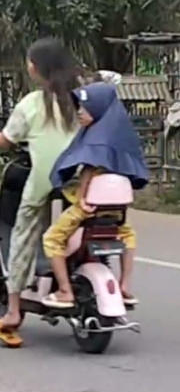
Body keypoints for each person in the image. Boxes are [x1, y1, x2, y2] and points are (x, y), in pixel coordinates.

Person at [0, 37, 80, 347]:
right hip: (81, 179)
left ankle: (13, 313)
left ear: (35, 68)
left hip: (44, 178)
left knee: (23, 234)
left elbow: (6, 140)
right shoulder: (81, 98)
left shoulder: (32, 103)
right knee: (78, 223)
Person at [42, 82, 149, 308]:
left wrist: (81, 198)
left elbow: (89, 171)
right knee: (128, 238)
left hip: (88, 209)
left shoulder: (96, 140)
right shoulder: (120, 138)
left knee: (51, 240)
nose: (80, 112)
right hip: (115, 213)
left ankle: (64, 290)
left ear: (99, 109)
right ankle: (125, 285)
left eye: (84, 108)